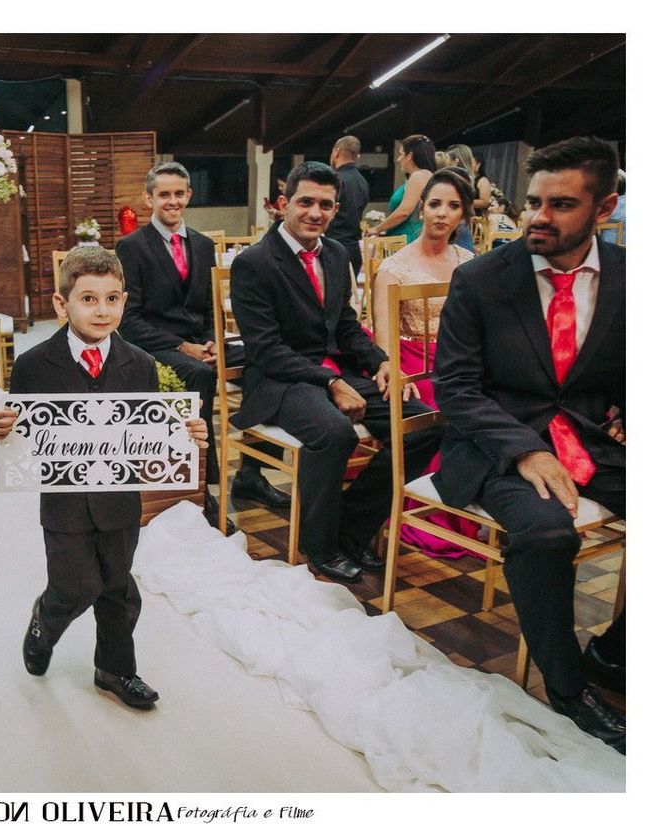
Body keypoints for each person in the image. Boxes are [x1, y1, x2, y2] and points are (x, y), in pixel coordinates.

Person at [434, 136, 625, 753]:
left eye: (561, 205)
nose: (538, 216)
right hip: (495, 442)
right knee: (546, 534)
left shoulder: (630, 276)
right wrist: (524, 449)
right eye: (534, 201)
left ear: (604, 208)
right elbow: (454, 387)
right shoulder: (481, 279)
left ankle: (616, 651)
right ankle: (567, 689)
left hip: (592, 438)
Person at [0, 245, 210, 709]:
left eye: (111, 299)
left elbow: (147, 431)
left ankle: (115, 670)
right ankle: (44, 621)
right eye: (88, 299)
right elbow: (17, 432)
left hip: (119, 501)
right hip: (64, 503)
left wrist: (185, 434)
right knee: (76, 586)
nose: (101, 310)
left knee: (118, 590)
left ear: (124, 301)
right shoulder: (33, 365)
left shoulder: (141, 364)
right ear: (61, 303)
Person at [229, 161, 440, 583]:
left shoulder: (337, 253)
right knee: (334, 433)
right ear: (284, 203)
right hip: (279, 379)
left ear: (336, 209)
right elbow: (266, 349)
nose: (315, 212)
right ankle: (319, 544)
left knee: (424, 424)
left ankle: (352, 527)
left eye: (325, 205)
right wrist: (332, 382)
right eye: (305, 202)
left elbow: (344, 324)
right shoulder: (254, 262)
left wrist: (382, 361)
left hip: (331, 370)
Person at [116, 162, 291, 534]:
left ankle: (251, 472)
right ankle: (203, 488)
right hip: (155, 345)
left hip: (201, 343)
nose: (173, 201)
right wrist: (185, 347)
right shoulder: (131, 247)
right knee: (198, 374)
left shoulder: (203, 243)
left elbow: (212, 306)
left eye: (179, 193)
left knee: (269, 359)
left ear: (189, 195)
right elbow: (129, 320)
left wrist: (212, 340)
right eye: (164, 194)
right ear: (149, 199)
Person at [372, 167, 479, 556]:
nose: (442, 213)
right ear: (421, 209)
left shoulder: (468, 260)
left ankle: (484, 502)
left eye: (453, 206)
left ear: (463, 214)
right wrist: (396, 370)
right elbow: (384, 341)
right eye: (435, 204)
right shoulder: (394, 268)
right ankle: (428, 509)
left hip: (459, 359)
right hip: (413, 361)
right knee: (444, 409)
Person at [367, 134, 437, 243]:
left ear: (410, 156)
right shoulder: (424, 175)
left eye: (401, 154)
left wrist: (377, 229)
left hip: (407, 238)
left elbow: (404, 211)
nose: (398, 159)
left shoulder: (418, 176)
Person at [326, 135, 370, 280]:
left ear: (336, 152)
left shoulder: (335, 180)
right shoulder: (362, 181)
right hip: (354, 248)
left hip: (334, 246)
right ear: (357, 156)